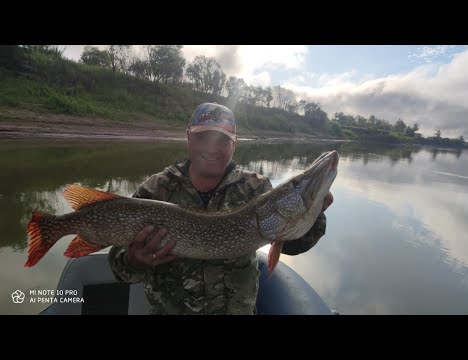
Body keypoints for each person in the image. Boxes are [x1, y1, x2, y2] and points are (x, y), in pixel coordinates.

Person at [108, 102, 334, 315]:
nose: (212, 148)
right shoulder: (156, 189)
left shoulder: (257, 188)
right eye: (203, 137)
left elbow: (292, 245)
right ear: (188, 138)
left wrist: (314, 214)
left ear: (234, 143)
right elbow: (119, 266)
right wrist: (133, 260)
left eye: (222, 140)